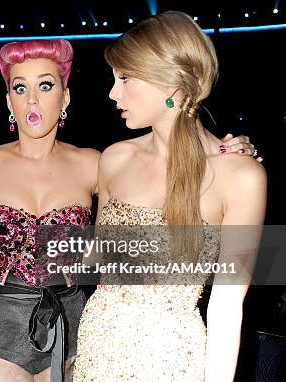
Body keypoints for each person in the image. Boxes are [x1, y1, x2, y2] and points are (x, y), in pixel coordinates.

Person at [0, 39, 257, 382]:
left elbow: (150, 197)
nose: (32, 99)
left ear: (65, 98)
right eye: (20, 88)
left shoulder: (97, 163)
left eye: (45, 86)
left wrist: (227, 152)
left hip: (75, 325)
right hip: (1, 326)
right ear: (8, 100)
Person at [73, 11, 266, 381]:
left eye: (125, 78)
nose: (113, 93)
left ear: (172, 86)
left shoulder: (241, 176)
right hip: (97, 349)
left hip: (171, 359)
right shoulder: (114, 159)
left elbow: (226, 308)